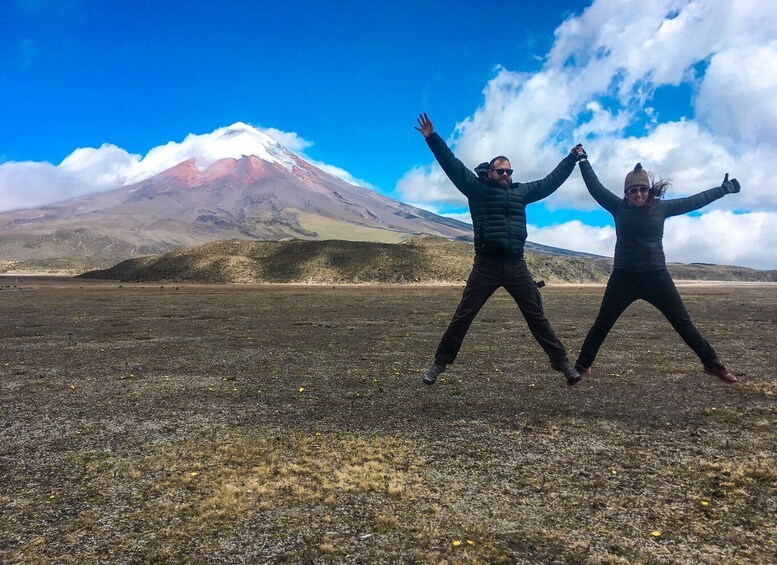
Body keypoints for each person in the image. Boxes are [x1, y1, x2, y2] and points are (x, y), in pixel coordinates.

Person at [415, 113, 584, 386]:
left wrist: (570, 159)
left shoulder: (521, 192)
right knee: (464, 315)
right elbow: (452, 165)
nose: (506, 174)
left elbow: (550, 182)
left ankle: (562, 363)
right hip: (486, 265)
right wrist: (432, 137)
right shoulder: (476, 189)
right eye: (501, 170)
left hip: (516, 264)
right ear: (490, 173)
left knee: (536, 316)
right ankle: (439, 363)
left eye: (509, 171)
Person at [574, 151, 740, 383]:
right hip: (624, 277)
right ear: (627, 193)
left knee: (683, 324)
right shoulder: (618, 207)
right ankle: (582, 367)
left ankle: (712, 365)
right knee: (602, 324)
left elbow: (693, 201)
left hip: (656, 278)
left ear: (649, 191)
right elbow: (595, 187)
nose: (639, 194)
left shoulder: (661, 208)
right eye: (633, 190)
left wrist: (722, 190)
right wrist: (583, 161)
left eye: (643, 189)